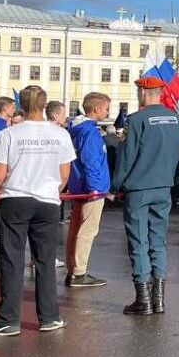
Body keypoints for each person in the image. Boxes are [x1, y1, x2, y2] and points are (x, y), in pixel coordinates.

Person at [0, 86, 74, 336]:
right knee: (45, 260)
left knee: (11, 259)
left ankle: (8, 319)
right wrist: (51, 189)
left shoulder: (8, 134)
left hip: (15, 199)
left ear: (21, 105)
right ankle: (49, 317)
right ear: (44, 105)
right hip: (47, 201)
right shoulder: (60, 135)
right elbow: (64, 174)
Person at [113, 76, 179, 316]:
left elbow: (126, 158)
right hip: (164, 187)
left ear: (143, 92)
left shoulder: (136, 120)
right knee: (158, 242)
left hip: (139, 188)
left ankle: (143, 300)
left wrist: (115, 186)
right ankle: (159, 300)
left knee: (139, 242)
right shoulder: (176, 119)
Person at [65, 91, 113, 288]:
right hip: (90, 190)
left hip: (78, 187)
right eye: (106, 108)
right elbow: (91, 161)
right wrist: (95, 188)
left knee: (76, 229)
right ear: (96, 109)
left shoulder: (76, 129)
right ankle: (79, 273)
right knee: (87, 230)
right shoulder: (90, 132)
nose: (107, 112)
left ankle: (73, 269)